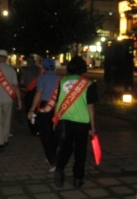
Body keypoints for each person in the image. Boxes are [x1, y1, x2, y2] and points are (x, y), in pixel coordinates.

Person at [53, 56, 98, 189]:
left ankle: (59, 170)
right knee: (80, 151)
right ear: (83, 68)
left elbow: (57, 102)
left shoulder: (62, 82)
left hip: (65, 120)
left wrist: (55, 119)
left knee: (66, 147)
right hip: (81, 121)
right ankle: (78, 179)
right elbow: (91, 107)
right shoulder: (89, 84)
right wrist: (93, 126)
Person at [27, 58, 60, 172]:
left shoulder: (42, 78)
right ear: (54, 67)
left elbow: (39, 93)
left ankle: (53, 161)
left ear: (43, 68)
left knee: (45, 135)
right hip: (57, 107)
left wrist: (32, 109)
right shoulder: (60, 79)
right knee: (54, 133)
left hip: (45, 107)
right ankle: (51, 155)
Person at [20, 56, 41, 135]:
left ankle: (33, 128)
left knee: (29, 109)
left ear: (28, 62)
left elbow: (22, 82)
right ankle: (38, 127)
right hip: (40, 92)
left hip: (30, 92)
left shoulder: (26, 70)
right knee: (38, 110)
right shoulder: (40, 69)